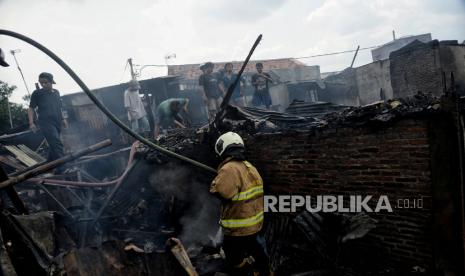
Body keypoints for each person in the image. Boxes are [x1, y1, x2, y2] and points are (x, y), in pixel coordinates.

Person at [210, 132, 269, 275]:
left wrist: (215, 182)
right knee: (259, 254)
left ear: (222, 148)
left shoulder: (229, 168)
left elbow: (222, 193)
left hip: (238, 229)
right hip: (255, 225)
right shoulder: (249, 166)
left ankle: (246, 272)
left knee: (234, 258)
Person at [28, 72, 67, 169]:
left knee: (53, 144)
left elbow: (59, 107)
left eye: (45, 82)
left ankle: (49, 166)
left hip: (57, 122)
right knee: (57, 143)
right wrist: (31, 123)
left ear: (51, 82)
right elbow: (31, 108)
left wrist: (63, 119)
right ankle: (63, 168)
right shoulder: (37, 93)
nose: (43, 85)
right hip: (46, 123)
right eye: (41, 83)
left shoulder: (57, 92)